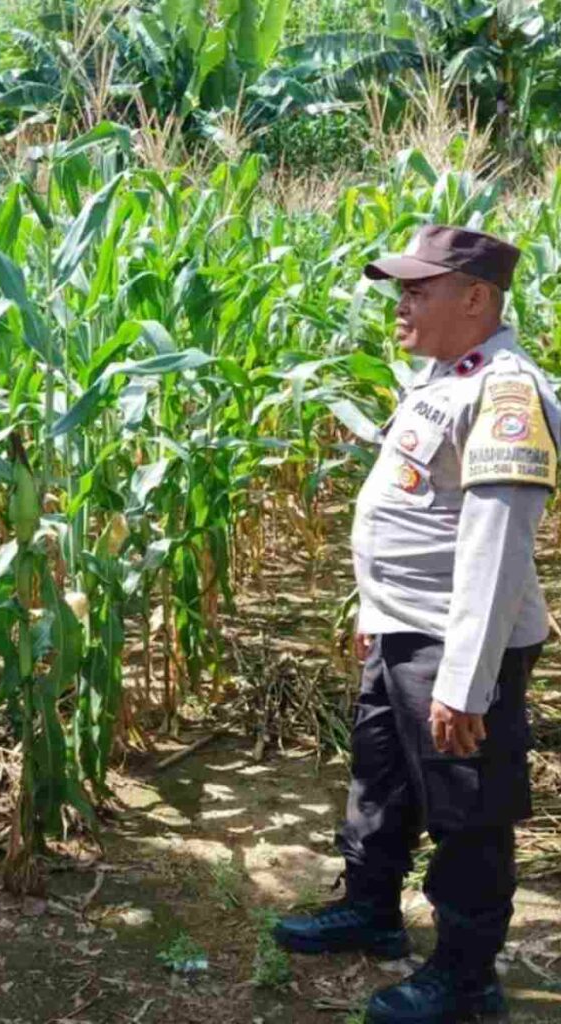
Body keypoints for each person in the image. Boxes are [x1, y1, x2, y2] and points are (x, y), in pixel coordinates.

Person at [272, 226, 559, 1024]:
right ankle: (371, 910)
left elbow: (494, 547)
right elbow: (410, 508)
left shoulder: (506, 391)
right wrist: (375, 611)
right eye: (401, 288)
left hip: (456, 642)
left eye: (418, 289)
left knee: (467, 812)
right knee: (382, 780)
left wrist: (466, 683)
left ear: (475, 298)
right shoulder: (442, 376)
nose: (401, 302)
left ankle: (467, 978)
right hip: (404, 627)